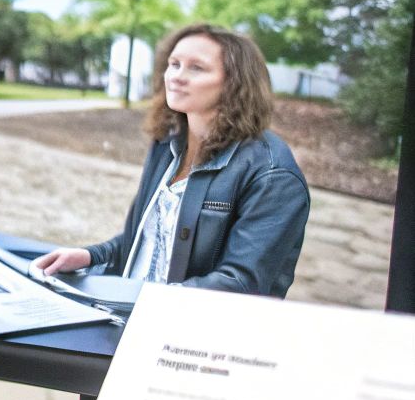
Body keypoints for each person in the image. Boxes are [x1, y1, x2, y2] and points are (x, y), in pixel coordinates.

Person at [32, 23, 309, 297]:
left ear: (236, 82)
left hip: (184, 323)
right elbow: (146, 240)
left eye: (196, 68)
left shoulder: (273, 175)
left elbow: (240, 284)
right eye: (174, 64)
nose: (177, 76)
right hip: (131, 309)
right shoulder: (167, 144)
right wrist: (90, 256)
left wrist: (148, 304)